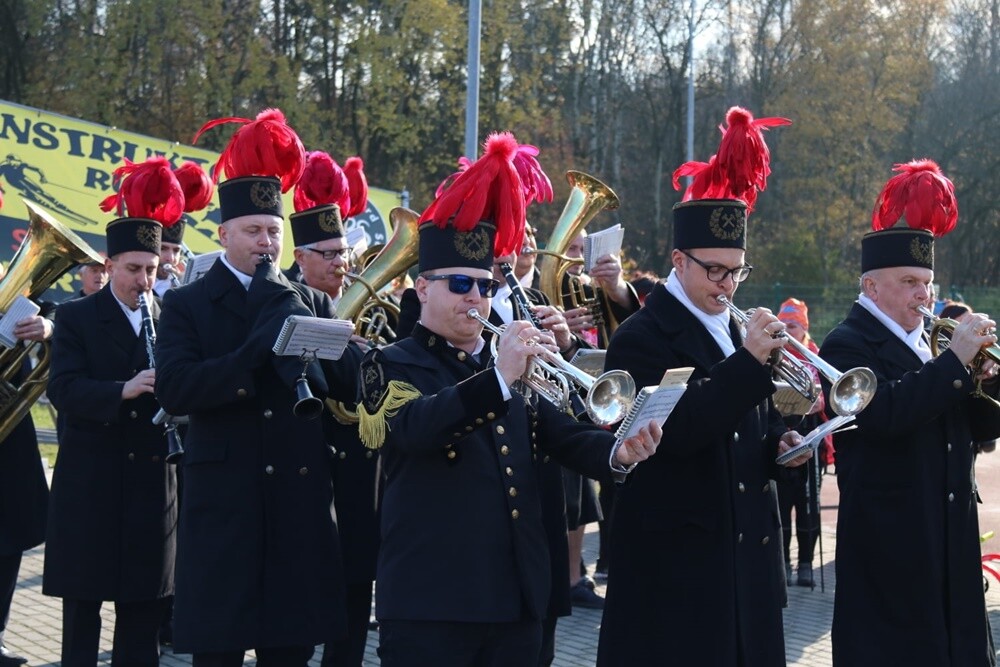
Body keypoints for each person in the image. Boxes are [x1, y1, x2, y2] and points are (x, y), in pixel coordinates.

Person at [357, 132, 662, 667]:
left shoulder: (500, 365)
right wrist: (499, 378)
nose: (475, 298)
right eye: (458, 284)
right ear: (423, 288)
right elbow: (419, 428)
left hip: (513, 597)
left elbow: (558, 431)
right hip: (434, 603)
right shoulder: (390, 362)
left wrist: (618, 450)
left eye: (483, 285)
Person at [598, 106, 806, 666]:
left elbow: (750, 419)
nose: (727, 283)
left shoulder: (739, 326)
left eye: (737, 270)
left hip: (748, 562)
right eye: (714, 269)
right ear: (677, 261)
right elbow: (675, 431)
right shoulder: (642, 336)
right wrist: (748, 363)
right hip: (681, 568)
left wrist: (782, 441)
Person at [155, 109, 363, 667]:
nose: (265, 242)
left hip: (296, 505)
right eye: (253, 231)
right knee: (219, 652)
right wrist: (255, 353)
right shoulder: (186, 305)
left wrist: (350, 348)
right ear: (223, 235)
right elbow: (175, 389)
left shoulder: (307, 298)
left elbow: (344, 389)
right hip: (226, 503)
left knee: (289, 651)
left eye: (273, 231)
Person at [819, 160, 1000, 666]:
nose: (925, 295)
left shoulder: (931, 343)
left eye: (927, 282)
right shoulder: (846, 344)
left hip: (950, 544)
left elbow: (982, 428)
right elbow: (887, 414)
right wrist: (956, 364)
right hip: (890, 550)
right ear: (872, 288)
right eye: (910, 282)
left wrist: (988, 379)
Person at [44, 157, 183, 667]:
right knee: (83, 614)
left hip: (151, 486)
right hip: (92, 481)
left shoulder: (170, 316)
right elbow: (64, 388)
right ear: (108, 267)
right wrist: (122, 390)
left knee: (142, 615)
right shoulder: (77, 315)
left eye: (151, 269)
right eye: (132, 270)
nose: (144, 281)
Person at [288, 150, 378, 667]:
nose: (342, 263)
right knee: (301, 598)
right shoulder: (283, 297)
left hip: (359, 467)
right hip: (306, 465)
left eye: (344, 252)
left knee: (354, 588)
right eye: (329, 254)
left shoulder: (360, 298)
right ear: (300, 257)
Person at [0, 218, 51, 667]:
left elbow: (54, 309)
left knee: (9, 534)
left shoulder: (9, 277)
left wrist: (46, 328)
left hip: (8, 433)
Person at [774, 297, 830, 588]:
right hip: (780, 432)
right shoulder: (773, 355)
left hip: (811, 434)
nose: (787, 330)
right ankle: (782, 560)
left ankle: (806, 562)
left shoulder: (814, 354)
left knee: (808, 503)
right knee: (781, 503)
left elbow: (825, 398)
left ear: (804, 328)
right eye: (783, 325)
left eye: (793, 325)